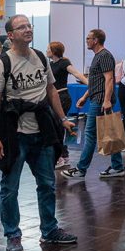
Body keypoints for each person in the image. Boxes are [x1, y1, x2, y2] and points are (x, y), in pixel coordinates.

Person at [0, 14, 77, 251]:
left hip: (42, 131)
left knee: (47, 184)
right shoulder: (1, 64)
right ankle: (13, 236)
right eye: (21, 27)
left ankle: (49, 230)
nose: (28, 29)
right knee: (10, 188)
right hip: (14, 134)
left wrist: (63, 118)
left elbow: (51, 90)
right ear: (11, 35)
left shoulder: (40, 57)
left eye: (29, 26)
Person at [62, 28, 125, 181]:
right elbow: (96, 82)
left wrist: (107, 100)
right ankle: (117, 167)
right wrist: (84, 96)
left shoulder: (104, 56)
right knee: (110, 132)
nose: (87, 41)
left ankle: (81, 169)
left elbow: (109, 80)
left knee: (90, 135)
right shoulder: (98, 56)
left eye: (88, 38)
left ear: (96, 40)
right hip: (97, 98)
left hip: (101, 100)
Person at [47, 41, 87, 169]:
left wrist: (89, 84)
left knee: (57, 127)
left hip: (62, 98)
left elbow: (77, 74)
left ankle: (59, 157)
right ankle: (63, 156)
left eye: (48, 49)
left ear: (54, 51)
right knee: (57, 127)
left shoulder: (64, 63)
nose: (46, 50)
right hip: (53, 99)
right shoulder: (50, 64)